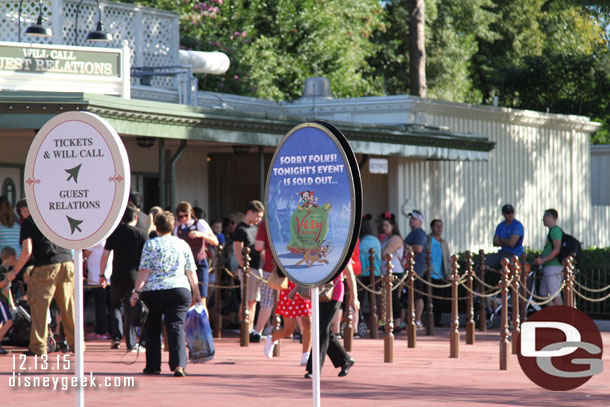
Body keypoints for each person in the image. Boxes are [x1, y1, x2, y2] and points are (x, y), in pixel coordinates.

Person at [129, 210, 202, 377]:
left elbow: (145, 270)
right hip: (179, 289)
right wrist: (196, 292)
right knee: (176, 327)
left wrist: (136, 291)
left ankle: (153, 365)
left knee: (153, 328)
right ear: (173, 225)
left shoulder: (151, 244)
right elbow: (190, 270)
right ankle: (179, 365)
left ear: (157, 226)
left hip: (154, 291)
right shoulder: (182, 244)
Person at [11, 200, 75, 355]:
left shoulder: (29, 222)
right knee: (68, 307)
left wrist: (13, 273)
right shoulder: (56, 216)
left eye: (21, 212)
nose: (21, 216)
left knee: (39, 307)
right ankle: (76, 344)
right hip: (67, 262)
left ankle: (38, 346)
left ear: (25, 209)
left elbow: (27, 250)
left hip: (46, 265)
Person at [100, 204, 148, 351]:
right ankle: (131, 342)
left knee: (114, 305)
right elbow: (147, 258)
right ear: (136, 218)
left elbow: (105, 256)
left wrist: (101, 275)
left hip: (116, 275)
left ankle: (116, 338)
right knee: (131, 308)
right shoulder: (141, 234)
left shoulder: (114, 233)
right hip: (134, 276)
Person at [304, 261, 359, 378]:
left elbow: (349, 274)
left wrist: (354, 297)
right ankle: (345, 360)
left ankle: (314, 369)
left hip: (335, 293)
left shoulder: (342, 250)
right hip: (320, 292)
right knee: (325, 331)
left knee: (322, 330)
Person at [174, 201, 218, 314]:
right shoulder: (178, 228)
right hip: (185, 267)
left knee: (201, 299)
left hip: (199, 263)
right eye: (180, 216)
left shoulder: (199, 223)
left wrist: (201, 234)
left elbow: (215, 242)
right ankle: (190, 329)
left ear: (191, 214)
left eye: (186, 215)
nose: (184, 219)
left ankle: (204, 329)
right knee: (187, 299)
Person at [232, 200, 264, 342]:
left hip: (258, 267)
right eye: (257, 216)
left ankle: (251, 328)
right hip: (248, 269)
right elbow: (238, 252)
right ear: (250, 212)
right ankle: (245, 329)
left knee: (254, 301)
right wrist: (245, 269)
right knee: (247, 300)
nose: (259, 219)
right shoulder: (240, 229)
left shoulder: (255, 228)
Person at [265, 280, 312, 365]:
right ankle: (272, 339)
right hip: (290, 288)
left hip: (305, 286)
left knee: (308, 323)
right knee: (288, 330)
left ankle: (306, 355)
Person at [379, 212, 405, 329]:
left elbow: (386, 253)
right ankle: (387, 321)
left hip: (395, 271)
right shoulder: (386, 238)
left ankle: (397, 322)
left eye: (386, 225)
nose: (384, 227)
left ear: (393, 226)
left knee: (394, 297)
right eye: (383, 225)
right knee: (386, 298)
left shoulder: (396, 238)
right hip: (385, 271)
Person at [253, 219, 278, 340]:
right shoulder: (293, 217)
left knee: (267, 300)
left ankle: (257, 332)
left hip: (271, 266)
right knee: (296, 300)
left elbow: (258, 246)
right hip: (292, 265)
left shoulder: (266, 222)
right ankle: (302, 333)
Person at [358, 214, 381, 336]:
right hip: (375, 273)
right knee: (375, 300)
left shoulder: (359, 242)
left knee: (359, 299)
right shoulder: (375, 241)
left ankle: (359, 320)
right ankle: (376, 323)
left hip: (361, 274)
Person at [84, 241, 112, 340]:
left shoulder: (97, 236)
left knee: (100, 304)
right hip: (108, 276)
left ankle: (101, 331)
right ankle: (112, 331)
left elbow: (86, 253)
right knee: (110, 304)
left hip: (97, 276)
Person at [535, 209, 564, 306]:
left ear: (550, 217)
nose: (543, 220)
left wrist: (543, 260)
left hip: (553, 267)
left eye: (544, 217)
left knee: (555, 294)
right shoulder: (552, 231)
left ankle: (562, 319)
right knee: (544, 293)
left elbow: (557, 249)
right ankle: (552, 316)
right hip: (548, 267)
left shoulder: (555, 230)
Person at [426, 219, 452, 326]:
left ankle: (437, 320)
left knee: (440, 300)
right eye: (437, 226)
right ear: (432, 227)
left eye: (441, 226)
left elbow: (448, 259)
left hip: (441, 275)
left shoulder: (444, 243)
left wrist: (450, 272)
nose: (439, 228)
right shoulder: (428, 239)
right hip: (430, 274)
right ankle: (429, 321)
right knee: (430, 299)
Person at [404, 210, 427, 330]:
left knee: (417, 296)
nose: (411, 220)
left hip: (417, 270)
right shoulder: (413, 233)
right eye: (410, 218)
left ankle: (418, 320)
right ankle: (411, 319)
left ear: (420, 221)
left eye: (414, 218)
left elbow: (418, 248)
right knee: (410, 296)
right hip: (410, 269)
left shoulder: (419, 233)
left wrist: (406, 248)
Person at [485, 204, 524, 270]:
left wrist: (500, 239)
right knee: (485, 263)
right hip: (502, 253)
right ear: (503, 214)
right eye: (508, 213)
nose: (510, 214)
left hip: (514, 254)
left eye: (512, 212)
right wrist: (507, 241)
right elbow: (495, 243)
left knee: (505, 269)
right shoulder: (500, 226)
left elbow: (511, 243)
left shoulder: (517, 225)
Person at [0, 246, 17, 354]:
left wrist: (11, 303)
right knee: (9, 322)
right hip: (1, 300)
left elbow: (7, 289)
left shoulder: (5, 270)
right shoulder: (1, 270)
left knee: (2, 322)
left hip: (4, 300)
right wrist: (6, 280)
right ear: (11, 257)